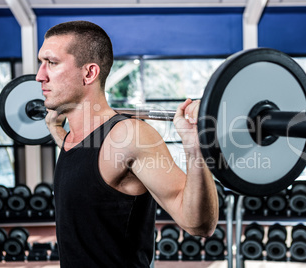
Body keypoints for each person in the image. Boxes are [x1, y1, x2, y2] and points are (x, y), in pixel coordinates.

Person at [35, 20, 219, 267]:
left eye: (52, 63)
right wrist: (56, 130)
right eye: (41, 63)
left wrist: (195, 147)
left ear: (89, 73)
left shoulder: (131, 136)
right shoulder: (73, 139)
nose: (39, 75)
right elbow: (86, 173)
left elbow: (199, 224)